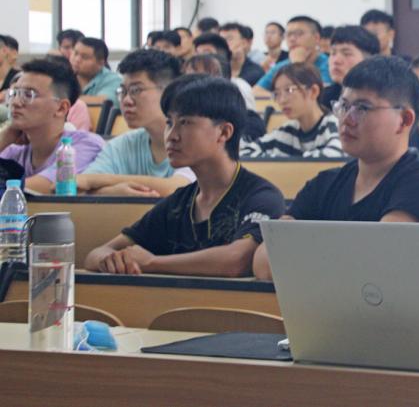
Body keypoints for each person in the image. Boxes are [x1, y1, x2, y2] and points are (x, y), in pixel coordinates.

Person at [251, 57, 419, 280]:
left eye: (362, 108)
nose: (347, 119)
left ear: (404, 120)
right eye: (344, 106)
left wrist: (299, 251)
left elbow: (375, 265)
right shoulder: (324, 184)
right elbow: (263, 263)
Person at [84, 75, 285, 277]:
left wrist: (152, 263)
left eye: (185, 122)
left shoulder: (262, 196)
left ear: (224, 132)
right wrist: (113, 260)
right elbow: (95, 254)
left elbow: (238, 259)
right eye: (169, 122)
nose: (171, 136)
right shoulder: (177, 204)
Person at [77, 49, 196, 197]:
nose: (126, 100)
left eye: (136, 90)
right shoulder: (123, 145)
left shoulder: (194, 142)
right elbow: (81, 187)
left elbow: (176, 189)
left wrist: (99, 181)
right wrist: (114, 191)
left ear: (169, 91)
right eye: (123, 91)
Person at [0, 58, 105, 193]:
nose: (15, 102)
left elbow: (48, 186)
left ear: (61, 108)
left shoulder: (84, 145)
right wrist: (4, 137)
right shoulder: (14, 150)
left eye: (28, 94)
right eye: (14, 94)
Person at [240, 63, 343, 159]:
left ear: (313, 91)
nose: (282, 100)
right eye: (277, 94)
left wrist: (288, 163)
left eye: (289, 90)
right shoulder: (287, 130)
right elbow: (245, 152)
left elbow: (335, 155)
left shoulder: (334, 126)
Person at [256, 15, 330, 92]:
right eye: (288, 35)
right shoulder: (283, 65)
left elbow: (320, 94)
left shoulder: (329, 64)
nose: (292, 39)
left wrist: (297, 66)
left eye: (299, 34)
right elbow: (256, 91)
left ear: (316, 38)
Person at [192, 33, 260, 115]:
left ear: (224, 56)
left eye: (206, 53)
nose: (199, 59)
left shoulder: (239, 87)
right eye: (197, 54)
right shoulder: (192, 88)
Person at [322, 25, 381, 109]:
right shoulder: (324, 97)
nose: (336, 61)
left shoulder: (381, 98)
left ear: (369, 60)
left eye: (347, 54)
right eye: (333, 53)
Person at [71, 37, 122, 102]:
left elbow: (103, 102)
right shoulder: (66, 75)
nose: (77, 60)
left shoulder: (113, 80)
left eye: (85, 57)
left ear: (101, 63)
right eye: (75, 54)